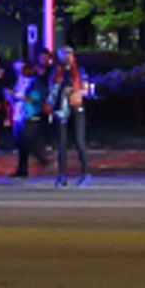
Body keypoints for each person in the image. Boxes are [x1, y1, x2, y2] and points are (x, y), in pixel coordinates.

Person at [11, 51, 56, 179]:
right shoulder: (19, 81)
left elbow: (38, 96)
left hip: (30, 115)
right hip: (18, 115)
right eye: (17, 69)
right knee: (20, 143)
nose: (19, 71)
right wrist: (11, 96)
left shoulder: (35, 81)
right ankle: (22, 170)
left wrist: (21, 97)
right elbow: (15, 96)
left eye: (22, 68)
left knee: (28, 142)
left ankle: (44, 162)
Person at [52, 46, 92, 186]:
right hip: (62, 108)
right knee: (62, 143)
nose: (67, 57)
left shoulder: (80, 71)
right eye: (64, 54)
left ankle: (86, 174)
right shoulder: (57, 72)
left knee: (79, 140)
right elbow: (52, 89)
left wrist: (76, 92)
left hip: (76, 106)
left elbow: (86, 89)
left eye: (69, 54)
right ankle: (61, 176)